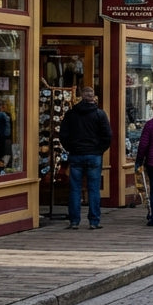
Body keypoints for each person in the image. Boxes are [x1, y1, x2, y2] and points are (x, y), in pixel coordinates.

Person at [58, 87, 112, 230]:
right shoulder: (100, 114)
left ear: (81, 96)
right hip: (94, 154)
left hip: (76, 154)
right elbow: (108, 135)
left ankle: (74, 221)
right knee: (93, 189)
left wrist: (70, 148)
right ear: (93, 97)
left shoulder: (71, 114)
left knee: (75, 189)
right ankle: (94, 221)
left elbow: (63, 134)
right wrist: (99, 150)